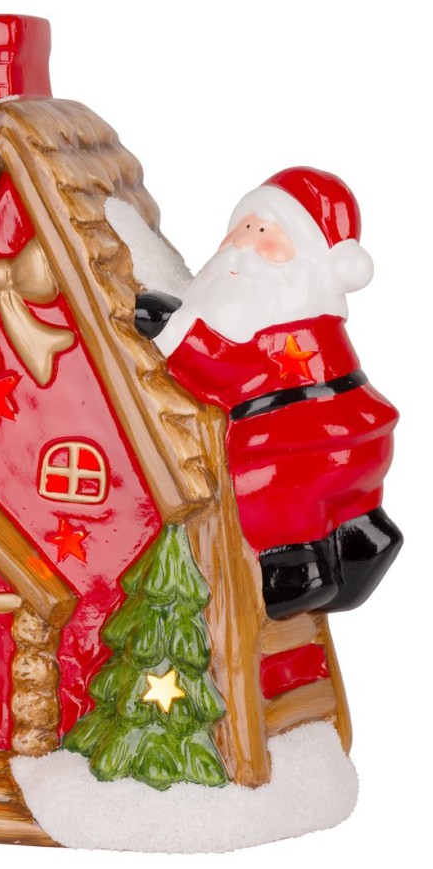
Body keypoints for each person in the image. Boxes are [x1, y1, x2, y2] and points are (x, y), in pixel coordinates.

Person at [136, 167, 402, 619]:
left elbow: (221, 367)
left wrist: (168, 328)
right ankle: (367, 540)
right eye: (242, 227)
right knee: (350, 505)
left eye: (263, 232)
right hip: (363, 441)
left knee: (272, 507)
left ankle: (296, 573)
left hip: (294, 449)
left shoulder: (272, 317)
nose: (243, 243)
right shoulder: (321, 323)